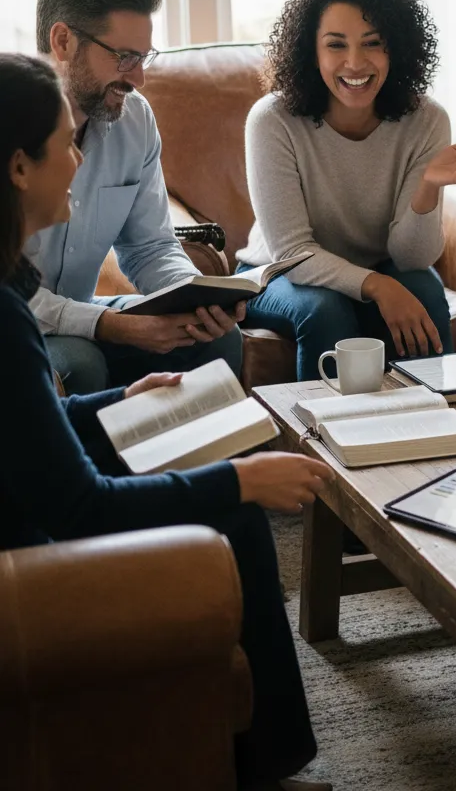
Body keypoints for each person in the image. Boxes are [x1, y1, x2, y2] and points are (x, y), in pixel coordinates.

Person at [0, 51, 334, 790]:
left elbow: (19, 435)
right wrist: (242, 479)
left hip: (20, 517)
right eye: (65, 144)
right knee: (235, 515)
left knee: (220, 495)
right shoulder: (4, 319)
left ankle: (266, 757)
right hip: (21, 573)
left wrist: (116, 402)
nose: (80, 159)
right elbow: (79, 504)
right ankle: (269, 765)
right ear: (21, 168)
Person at [236, 0, 456, 379]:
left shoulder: (426, 119)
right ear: (312, 51)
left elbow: (412, 259)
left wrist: (427, 188)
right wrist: (379, 287)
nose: (355, 63)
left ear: (395, 48)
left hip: (382, 265)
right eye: (336, 45)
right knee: (326, 310)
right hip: (277, 276)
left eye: (372, 43)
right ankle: (324, 438)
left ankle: (438, 429)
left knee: (427, 291)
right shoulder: (273, 120)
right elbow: (291, 252)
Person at [29, 0, 244, 395]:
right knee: (80, 364)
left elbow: (150, 246)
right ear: (63, 40)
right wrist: (110, 326)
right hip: (21, 323)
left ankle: (219, 465)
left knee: (216, 338)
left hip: (88, 311)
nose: (140, 79)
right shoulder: (10, 127)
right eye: (125, 57)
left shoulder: (134, 120)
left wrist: (195, 298)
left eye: (143, 58)